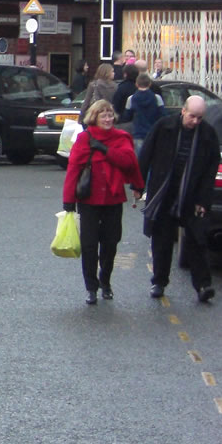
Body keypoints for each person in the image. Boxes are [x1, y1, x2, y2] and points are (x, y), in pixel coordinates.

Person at [62, 99, 144, 305]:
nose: (107, 119)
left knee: (110, 243)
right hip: (89, 199)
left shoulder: (122, 137)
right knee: (89, 245)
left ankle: (105, 281)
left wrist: (105, 150)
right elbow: (73, 170)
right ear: (95, 117)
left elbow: (129, 162)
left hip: (113, 198)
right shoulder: (84, 138)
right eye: (103, 115)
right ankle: (91, 287)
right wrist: (68, 201)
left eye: (110, 115)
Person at [138, 96, 218, 303]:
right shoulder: (164, 127)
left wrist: (203, 199)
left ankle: (203, 286)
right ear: (183, 111)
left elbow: (211, 169)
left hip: (192, 195)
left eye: (200, 118)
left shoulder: (208, 135)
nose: (196, 122)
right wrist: (138, 185)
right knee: (162, 241)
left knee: (197, 241)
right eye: (192, 116)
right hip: (165, 193)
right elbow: (146, 154)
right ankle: (159, 282)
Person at [125, 72, 165, 152]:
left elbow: (126, 117)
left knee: (139, 160)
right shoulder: (157, 98)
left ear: (136, 84)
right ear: (149, 84)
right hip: (153, 133)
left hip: (138, 133)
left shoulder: (131, 99)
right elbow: (163, 116)